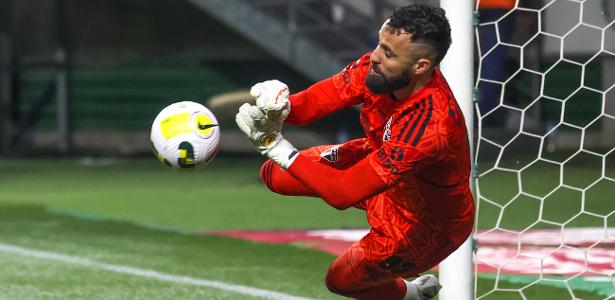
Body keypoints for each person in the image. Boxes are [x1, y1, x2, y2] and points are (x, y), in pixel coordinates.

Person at [235, 3, 474, 300]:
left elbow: (344, 192)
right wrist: (282, 106)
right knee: (274, 175)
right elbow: (320, 99)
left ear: (421, 67)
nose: (374, 56)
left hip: (423, 225)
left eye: (388, 53)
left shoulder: (431, 122)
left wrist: (276, 145)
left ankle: (410, 295)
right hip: (376, 160)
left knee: (341, 280)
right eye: (380, 44)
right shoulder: (380, 70)